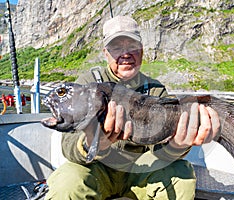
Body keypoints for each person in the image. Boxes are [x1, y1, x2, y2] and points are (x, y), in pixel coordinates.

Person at [45, 15, 220, 200]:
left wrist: (177, 145)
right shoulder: (87, 85)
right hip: (99, 169)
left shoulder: (156, 90)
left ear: (142, 51)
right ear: (106, 53)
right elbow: (68, 145)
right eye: (117, 47)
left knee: (180, 174)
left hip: (140, 169)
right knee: (68, 183)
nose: (125, 54)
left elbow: (162, 154)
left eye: (132, 47)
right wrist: (92, 143)